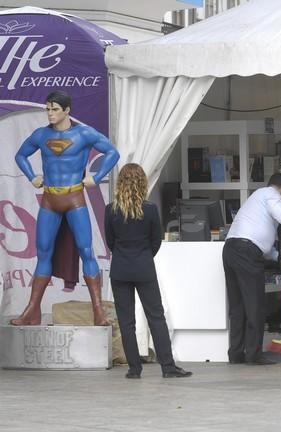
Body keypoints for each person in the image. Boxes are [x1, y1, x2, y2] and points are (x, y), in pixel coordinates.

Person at [11, 90, 119, 326]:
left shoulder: (84, 133)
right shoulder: (41, 135)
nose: (50, 113)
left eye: (55, 109)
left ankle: (98, 312)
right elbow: (20, 156)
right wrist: (32, 176)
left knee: (86, 250)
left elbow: (113, 152)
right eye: (48, 109)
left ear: (67, 110)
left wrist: (98, 175)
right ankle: (32, 310)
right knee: (43, 253)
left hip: (74, 199)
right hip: (50, 199)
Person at [104, 163, 191, 379]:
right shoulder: (150, 209)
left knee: (126, 321)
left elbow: (110, 241)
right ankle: (168, 367)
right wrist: (143, 256)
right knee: (156, 317)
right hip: (144, 267)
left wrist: (124, 255)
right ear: (142, 183)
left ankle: (134, 369)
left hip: (120, 269)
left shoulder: (110, 209)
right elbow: (155, 241)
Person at [223, 173, 281, 365]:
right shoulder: (272, 194)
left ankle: (236, 354)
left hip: (231, 249)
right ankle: (254, 354)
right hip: (247, 253)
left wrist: (279, 257)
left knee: (237, 306)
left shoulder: (258, 197)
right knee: (254, 305)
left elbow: (258, 236)